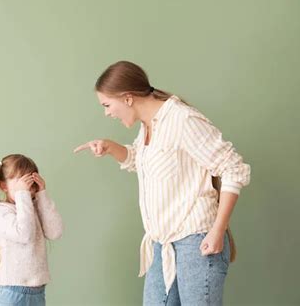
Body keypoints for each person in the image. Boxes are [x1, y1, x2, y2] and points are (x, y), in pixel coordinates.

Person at [74, 61, 251, 305]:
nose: (106, 112)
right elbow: (143, 161)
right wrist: (109, 147)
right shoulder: (149, 124)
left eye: (107, 105)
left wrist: (218, 230)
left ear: (127, 98)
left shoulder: (181, 120)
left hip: (196, 243)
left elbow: (233, 168)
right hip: (162, 243)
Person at [0, 154, 63, 306]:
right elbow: (24, 234)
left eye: (31, 181)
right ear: (4, 185)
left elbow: (55, 232)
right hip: (11, 293)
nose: (28, 187)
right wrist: (22, 195)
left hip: (37, 292)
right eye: (22, 182)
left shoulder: (32, 208)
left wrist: (42, 194)